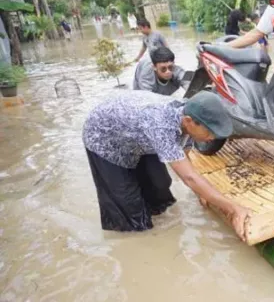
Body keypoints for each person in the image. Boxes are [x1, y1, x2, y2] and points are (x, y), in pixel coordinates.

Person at [82, 90, 249, 239]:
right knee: (129, 212)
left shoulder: (189, 115)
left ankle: (157, 217)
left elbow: (184, 158)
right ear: (189, 121)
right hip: (104, 138)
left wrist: (203, 193)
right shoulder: (162, 126)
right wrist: (234, 209)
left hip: (137, 131)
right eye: (211, 132)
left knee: (160, 186)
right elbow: (189, 178)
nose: (213, 138)